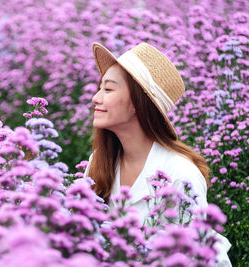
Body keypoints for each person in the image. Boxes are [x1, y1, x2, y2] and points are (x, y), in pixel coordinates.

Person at [84, 42, 232, 266]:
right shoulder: (99, 160)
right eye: (99, 88)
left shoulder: (180, 174)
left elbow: (202, 257)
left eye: (108, 89)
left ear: (137, 103)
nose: (96, 97)